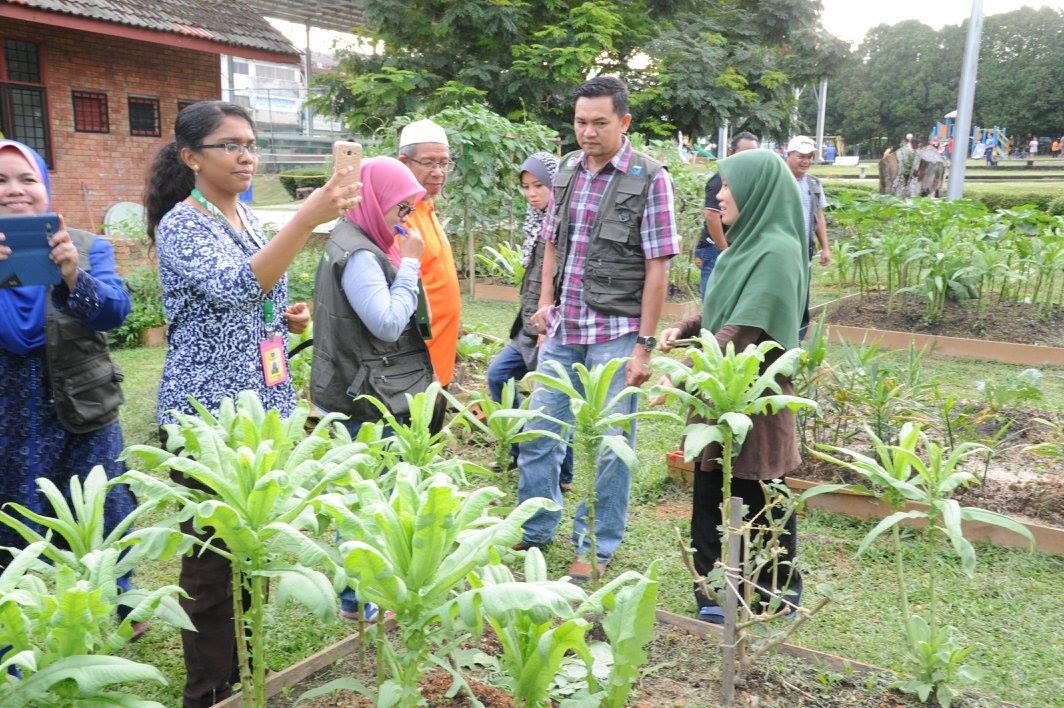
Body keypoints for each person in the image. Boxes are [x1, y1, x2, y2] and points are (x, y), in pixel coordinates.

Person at [144, 100, 359, 708]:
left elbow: (255, 295)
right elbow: (240, 284)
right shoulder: (183, 224)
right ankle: (209, 692)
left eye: (250, 143)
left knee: (247, 547)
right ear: (191, 158)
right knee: (211, 561)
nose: (246, 155)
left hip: (258, 408)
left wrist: (286, 319)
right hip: (206, 417)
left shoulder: (245, 218)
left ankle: (240, 677)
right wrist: (310, 213)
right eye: (230, 145)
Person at [516, 76, 680, 581]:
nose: (588, 132)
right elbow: (551, 245)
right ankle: (536, 530)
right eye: (580, 122)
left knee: (611, 442)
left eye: (599, 123)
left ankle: (596, 543)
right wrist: (545, 305)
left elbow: (658, 268)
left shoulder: (650, 178)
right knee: (541, 430)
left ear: (624, 122)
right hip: (565, 330)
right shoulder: (565, 172)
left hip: (616, 331)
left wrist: (645, 348)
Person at [658, 148, 807, 624]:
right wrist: (686, 328)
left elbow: (747, 327)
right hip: (718, 385)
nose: (720, 194)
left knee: (761, 489)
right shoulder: (743, 246)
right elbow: (724, 314)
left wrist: (682, 372)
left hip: (753, 396)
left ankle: (775, 592)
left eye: (728, 186)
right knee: (709, 488)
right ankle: (712, 591)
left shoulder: (778, 250)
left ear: (757, 192)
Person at [0, 138, 138, 614]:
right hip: (8, 414)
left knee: (102, 504)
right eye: (0, 181)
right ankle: (21, 613)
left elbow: (116, 312)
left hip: (83, 405)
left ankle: (122, 602)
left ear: (45, 186)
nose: (14, 190)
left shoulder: (86, 245)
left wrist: (74, 277)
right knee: (14, 517)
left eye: (27, 179)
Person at [310, 156, 432, 620]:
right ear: (374, 199)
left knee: (358, 493)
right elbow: (385, 323)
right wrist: (411, 267)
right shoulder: (360, 253)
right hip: (364, 395)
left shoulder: (348, 236)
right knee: (366, 498)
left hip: (346, 385)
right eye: (399, 208)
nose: (404, 219)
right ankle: (359, 601)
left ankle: (356, 598)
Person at [484, 151, 573, 488]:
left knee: (554, 400)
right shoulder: (537, 222)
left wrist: (549, 324)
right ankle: (525, 447)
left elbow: (563, 280)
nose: (531, 193)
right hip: (526, 327)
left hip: (548, 328)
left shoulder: (563, 225)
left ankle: (562, 474)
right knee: (498, 376)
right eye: (525, 187)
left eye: (539, 186)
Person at [396, 120, 461, 410]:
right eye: (428, 163)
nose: (438, 172)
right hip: (418, 366)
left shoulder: (426, 206)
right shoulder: (400, 215)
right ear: (404, 163)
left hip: (440, 362)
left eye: (445, 163)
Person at [693, 131, 759, 296]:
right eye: (745, 153)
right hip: (715, 248)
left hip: (735, 247)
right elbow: (711, 215)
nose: (749, 159)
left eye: (754, 154)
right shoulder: (721, 179)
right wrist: (724, 250)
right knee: (713, 300)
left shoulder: (747, 179)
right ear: (732, 152)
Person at [785, 135, 829, 340]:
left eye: (810, 157)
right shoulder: (778, 179)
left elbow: (819, 217)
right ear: (789, 155)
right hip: (782, 249)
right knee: (784, 293)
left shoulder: (813, 184)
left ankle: (797, 341)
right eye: (801, 156)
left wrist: (825, 248)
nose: (806, 161)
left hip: (805, 251)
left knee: (802, 297)